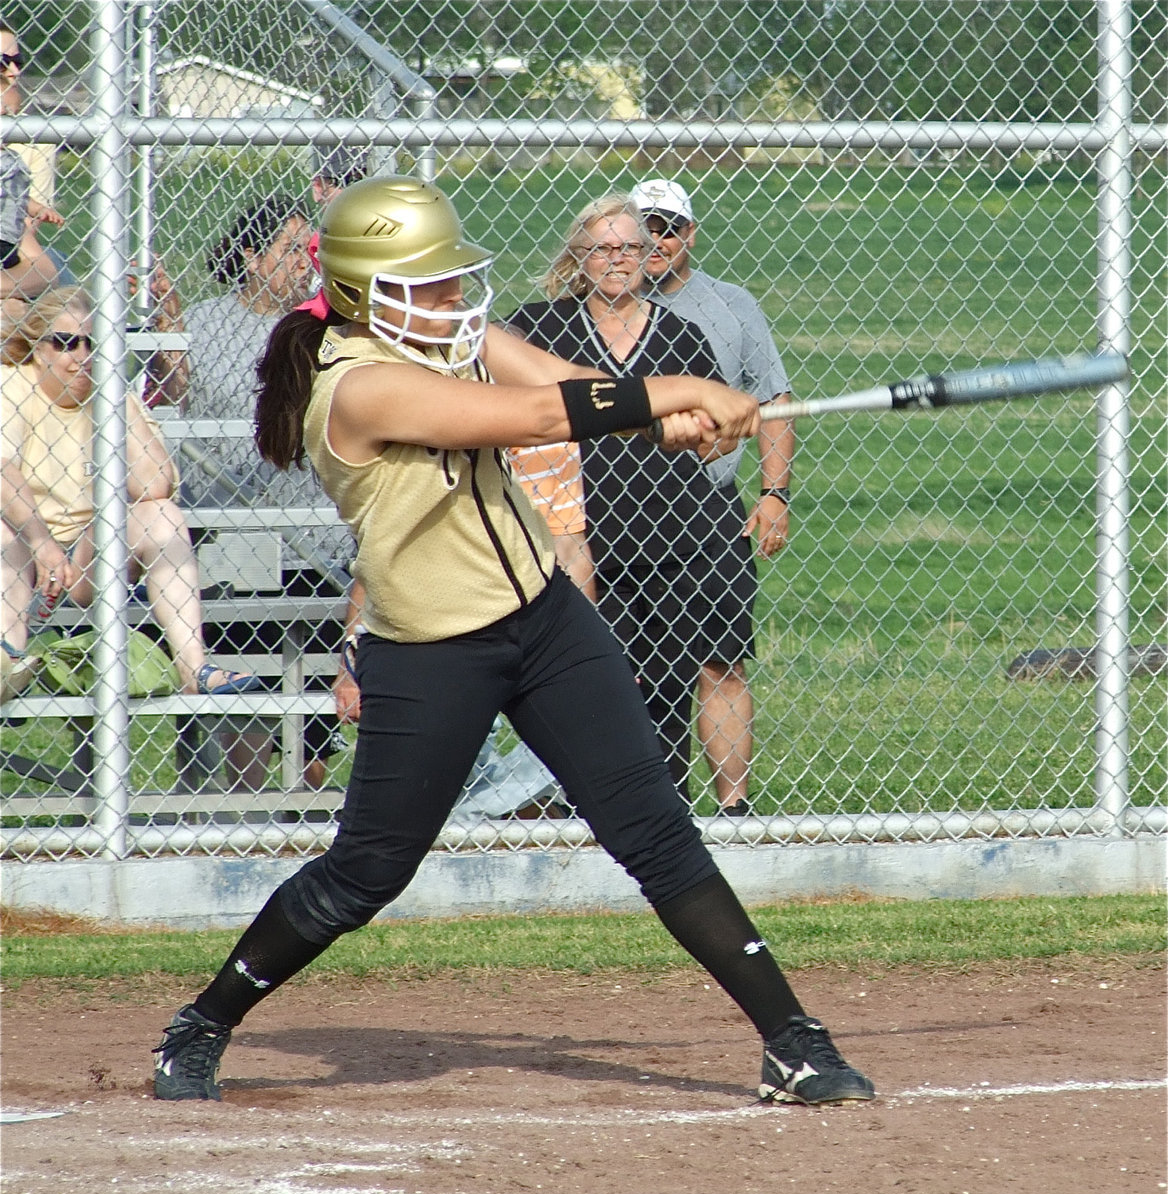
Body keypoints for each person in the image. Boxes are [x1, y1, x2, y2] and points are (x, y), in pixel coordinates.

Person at [149, 175, 874, 1109]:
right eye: (436, 284)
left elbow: (565, 385)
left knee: (656, 832)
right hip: (432, 648)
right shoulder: (357, 387)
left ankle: (794, 1042)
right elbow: (534, 419)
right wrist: (684, 389)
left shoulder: (451, 337)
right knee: (366, 872)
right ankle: (202, 1022)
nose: (458, 299)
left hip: (546, 619)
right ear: (376, 291)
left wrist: (672, 416)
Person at [506, 195, 758, 806]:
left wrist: (709, 425)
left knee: (672, 680)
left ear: (648, 256)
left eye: (629, 248)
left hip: (678, 529)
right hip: (578, 536)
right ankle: (593, 802)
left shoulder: (681, 333)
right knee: (598, 684)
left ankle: (670, 807)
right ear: (578, 257)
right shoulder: (540, 327)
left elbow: (703, 424)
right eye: (601, 249)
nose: (617, 260)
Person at [163, 196, 351, 791]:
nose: (305, 264)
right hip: (233, 537)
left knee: (312, 725)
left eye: (311, 252)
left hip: (320, 534)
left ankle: (303, 815)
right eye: (290, 250)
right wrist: (173, 366)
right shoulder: (204, 321)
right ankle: (241, 814)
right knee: (250, 707)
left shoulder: (324, 322)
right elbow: (172, 412)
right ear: (249, 255)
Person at [0, 286, 261, 698]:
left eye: (93, 343)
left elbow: (155, 484)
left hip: (89, 553)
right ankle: (7, 662)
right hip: (26, 545)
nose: (80, 355)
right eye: (66, 342)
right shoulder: (13, 385)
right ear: (37, 347)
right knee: (3, 532)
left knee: (162, 515)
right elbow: (3, 471)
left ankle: (195, 669)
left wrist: (114, 398)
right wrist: (41, 542)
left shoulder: (108, 393)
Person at [630, 178, 798, 817]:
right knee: (623, 670)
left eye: (668, 228)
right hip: (613, 509)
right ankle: (644, 808)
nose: (655, 241)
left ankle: (735, 812)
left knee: (720, 660)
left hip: (707, 502)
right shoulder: (598, 308)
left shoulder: (730, 306)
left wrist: (774, 492)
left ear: (690, 235)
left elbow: (774, 399)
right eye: (642, 229)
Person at [1, 23, 64, 320]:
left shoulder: (32, 141)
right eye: (2, 63)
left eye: (18, 62)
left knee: (58, 278)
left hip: (10, 264)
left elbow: (28, 249)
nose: (14, 72)